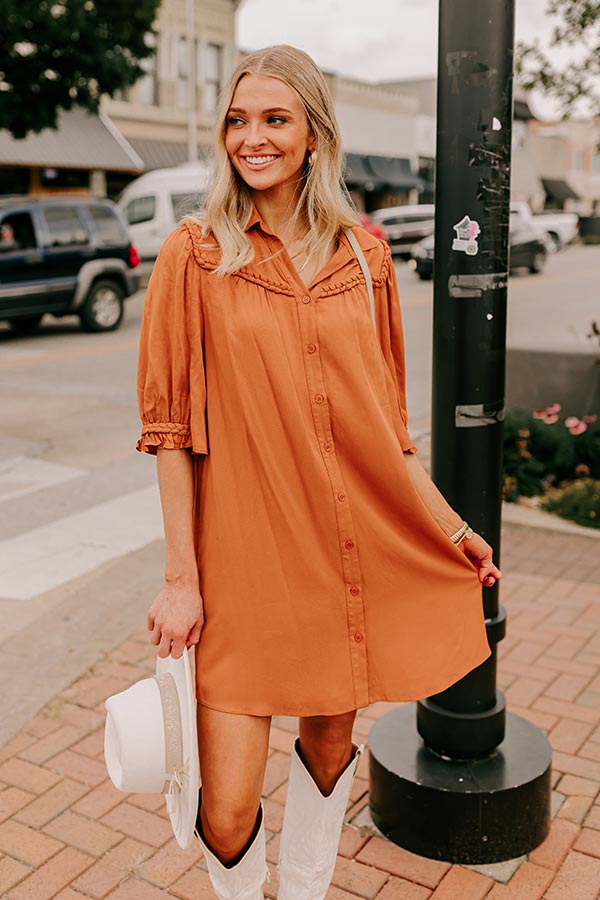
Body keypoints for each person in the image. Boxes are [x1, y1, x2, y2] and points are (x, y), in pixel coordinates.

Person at [136, 44, 502, 900]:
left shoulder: (367, 263)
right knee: (224, 810)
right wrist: (180, 579)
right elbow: (172, 434)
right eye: (238, 119)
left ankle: (302, 890)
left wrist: (452, 528)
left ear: (314, 136)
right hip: (243, 572)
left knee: (331, 750)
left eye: (274, 119)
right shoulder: (194, 257)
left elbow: (386, 438)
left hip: (345, 564)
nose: (251, 138)